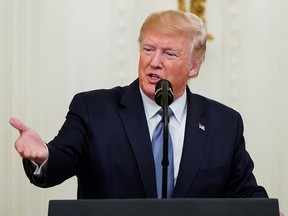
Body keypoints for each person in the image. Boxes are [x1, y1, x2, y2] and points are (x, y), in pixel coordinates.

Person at [10, 9, 268, 199]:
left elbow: (243, 190)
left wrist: (265, 211)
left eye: (169, 53)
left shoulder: (224, 123)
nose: (154, 61)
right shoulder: (93, 109)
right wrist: (43, 156)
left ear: (194, 66)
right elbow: (59, 161)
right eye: (148, 49)